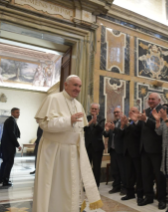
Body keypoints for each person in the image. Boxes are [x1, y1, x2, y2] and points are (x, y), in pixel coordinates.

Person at [32, 75, 102, 212]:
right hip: (54, 153)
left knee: (71, 188)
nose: (77, 89)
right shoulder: (53, 99)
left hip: (73, 153)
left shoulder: (78, 105)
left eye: (80, 86)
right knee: (54, 188)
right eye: (75, 85)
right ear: (66, 85)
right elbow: (44, 125)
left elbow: (80, 131)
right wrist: (68, 120)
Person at [136, 92, 167, 209]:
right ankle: (148, 197)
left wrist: (146, 120)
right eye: (149, 99)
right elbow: (143, 128)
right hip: (144, 148)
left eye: (153, 99)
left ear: (159, 100)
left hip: (156, 148)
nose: (150, 101)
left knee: (159, 176)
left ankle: (162, 199)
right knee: (146, 175)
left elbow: (160, 127)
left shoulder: (163, 110)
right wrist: (136, 121)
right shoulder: (146, 111)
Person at [119, 107, 143, 203]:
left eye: (133, 111)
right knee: (128, 174)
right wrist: (122, 125)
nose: (131, 113)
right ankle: (130, 193)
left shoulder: (140, 122)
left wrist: (129, 123)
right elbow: (121, 136)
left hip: (136, 152)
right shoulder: (128, 123)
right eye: (130, 111)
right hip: (127, 151)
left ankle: (140, 195)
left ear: (138, 113)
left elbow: (137, 133)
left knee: (138, 174)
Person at [103, 107, 126, 195]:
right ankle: (116, 186)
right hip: (113, 150)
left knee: (122, 170)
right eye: (115, 112)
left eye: (117, 112)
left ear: (121, 112)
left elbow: (122, 134)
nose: (116, 114)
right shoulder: (114, 122)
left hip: (121, 150)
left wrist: (114, 129)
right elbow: (106, 135)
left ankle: (124, 188)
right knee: (115, 170)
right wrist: (106, 130)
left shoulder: (123, 122)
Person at [0, 108, 22, 186]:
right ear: (12, 113)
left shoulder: (9, 120)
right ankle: (5, 180)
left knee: (5, 162)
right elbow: (12, 134)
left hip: (6, 146)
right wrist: (17, 145)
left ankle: (0, 179)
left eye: (19, 112)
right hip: (9, 146)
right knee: (9, 163)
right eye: (17, 112)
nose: (18, 114)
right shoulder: (11, 121)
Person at [84, 103, 106, 187]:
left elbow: (100, 129)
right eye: (92, 108)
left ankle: (96, 185)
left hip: (97, 147)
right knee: (87, 167)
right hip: (88, 146)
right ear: (90, 109)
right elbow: (83, 128)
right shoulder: (86, 118)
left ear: (98, 111)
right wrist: (90, 123)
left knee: (96, 167)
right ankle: (86, 185)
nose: (93, 110)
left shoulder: (102, 119)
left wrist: (95, 122)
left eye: (95, 109)